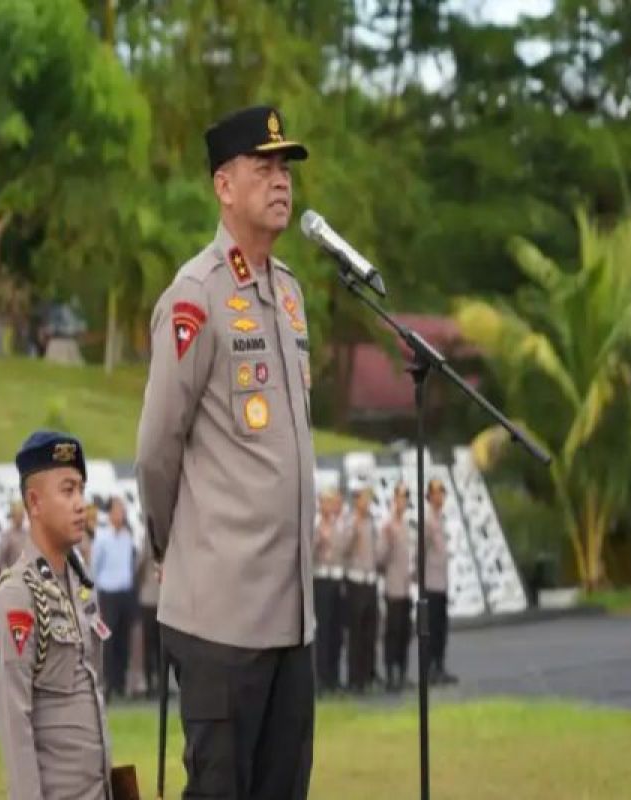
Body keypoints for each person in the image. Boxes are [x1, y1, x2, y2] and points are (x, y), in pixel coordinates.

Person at [136, 104, 315, 799]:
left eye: (286, 168)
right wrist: (171, 546)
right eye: (263, 167)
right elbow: (157, 448)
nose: (281, 181)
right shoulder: (196, 298)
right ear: (223, 185)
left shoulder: (291, 295)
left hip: (290, 618)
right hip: (222, 617)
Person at [0, 431, 111, 799]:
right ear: (35, 503)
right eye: (68, 490)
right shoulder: (16, 598)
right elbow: (14, 724)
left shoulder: (81, 586)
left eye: (81, 491)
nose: (80, 504)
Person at [91, 497, 137, 701]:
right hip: (108, 593)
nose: (122, 515)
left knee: (123, 640)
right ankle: (107, 683)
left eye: (123, 511)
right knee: (108, 640)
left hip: (125, 593)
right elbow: (94, 567)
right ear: (110, 514)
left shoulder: (127, 536)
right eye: (118, 511)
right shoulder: (102, 538)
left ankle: (120, 682)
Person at [341, 487, 383, 694]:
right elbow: (343, 549)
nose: (367, 503)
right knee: (356, 633)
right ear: (356, 501)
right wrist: (353, 531)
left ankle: (368, 674)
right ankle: (354, 678)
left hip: (370, 580)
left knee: (370, 631)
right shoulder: (351, 521)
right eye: (364, 499)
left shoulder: (371, 522)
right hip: (355, 581)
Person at [381, 482, 414, 693]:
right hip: (393, 587)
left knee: (405, 632)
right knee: (392, 633)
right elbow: (381, 557)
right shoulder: (387, 526)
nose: (402, 502)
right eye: (400, 497)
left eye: (405, 498)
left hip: (407, 587)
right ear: (394, 500)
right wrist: (388, 541)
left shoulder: (408, 526)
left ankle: (402, 672)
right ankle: (391, 674)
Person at [425, 479, 458, 685]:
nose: (440, 496)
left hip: (441, 582)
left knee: (440, 629)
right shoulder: (427, 520)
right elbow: (421, 550)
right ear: (429, 496)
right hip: (430, 583)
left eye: (442, 493)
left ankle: (439, 666)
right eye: (436, 493)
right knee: (431, 629)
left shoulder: (440, 518)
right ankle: (429, 669)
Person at [312, 489, 345, 695]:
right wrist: (318, 539)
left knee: (336, 632)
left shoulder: (337, 526)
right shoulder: (315, 526)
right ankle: (321, 678)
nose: (330, 506)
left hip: (336, 579)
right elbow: (310, 552)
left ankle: (334, 677)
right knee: (323, 631)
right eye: (327, 502)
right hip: (321, 579)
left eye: (332, 502)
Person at [134, 532, 161, 701]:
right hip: (159, 599)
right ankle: (157, 683)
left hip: (150, 599)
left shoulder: (148, 542)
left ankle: (152, 684)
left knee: (151, 645)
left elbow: (139, 568)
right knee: (158, 646)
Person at [0, 502, 27, 570]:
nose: (20, 518)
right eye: (17, 515)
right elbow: (0, 559)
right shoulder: (7, 535)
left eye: (21, 515)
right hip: (13, 573)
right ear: (12, 516)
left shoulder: (27, 534)